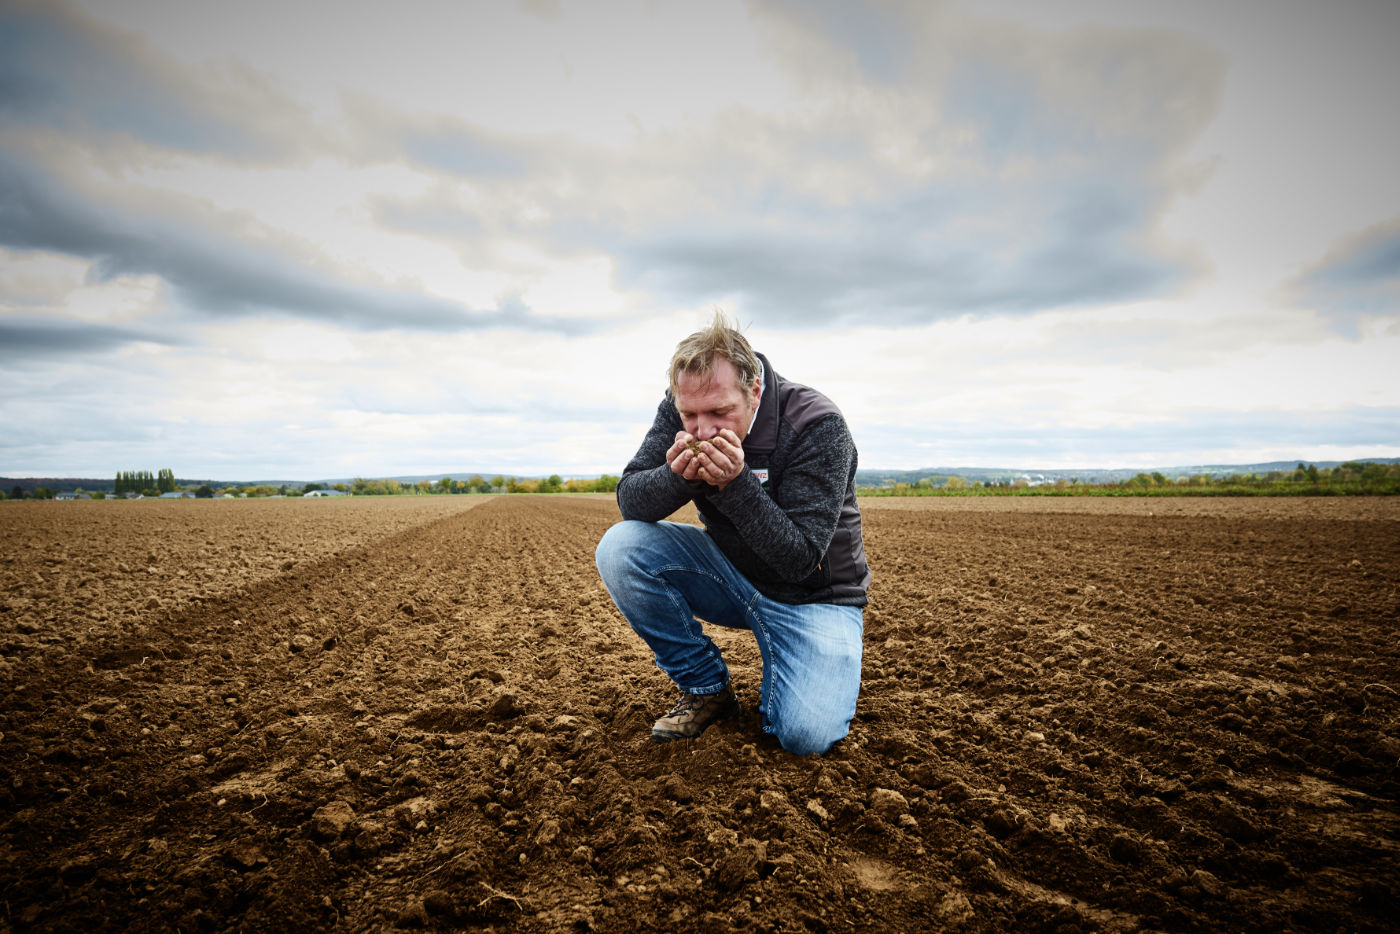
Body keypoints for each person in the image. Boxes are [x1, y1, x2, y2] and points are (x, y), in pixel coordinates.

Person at [595, 313, 870, 756]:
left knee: (805, 738)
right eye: (690, 416)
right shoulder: (682, 408)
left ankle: (793, 662)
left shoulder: (816, 426)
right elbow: (632, 500)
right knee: (622, 547)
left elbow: (799, 560)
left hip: (814, 596)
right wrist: (677, 477)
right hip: (732, 574)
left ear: (754, 390)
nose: (702, 431)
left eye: (720, 413)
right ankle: (707, 689)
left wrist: (735, 483)